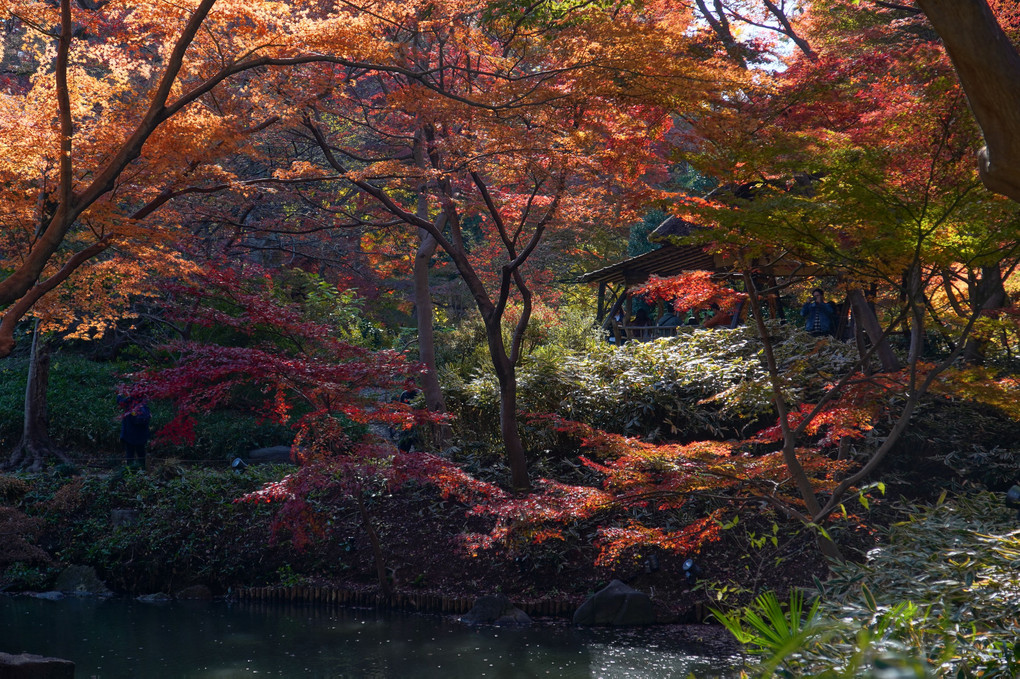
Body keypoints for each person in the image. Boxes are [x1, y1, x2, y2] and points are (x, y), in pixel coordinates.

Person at [118, 396, 151, 468]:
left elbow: (120, 402)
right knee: (141, 454)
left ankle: (130, 472)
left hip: (129, 434)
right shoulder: (144, 402)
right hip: (142, 435)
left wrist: (120, 394)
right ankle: (142, 471)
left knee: (130, 454)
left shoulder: (129, 401)